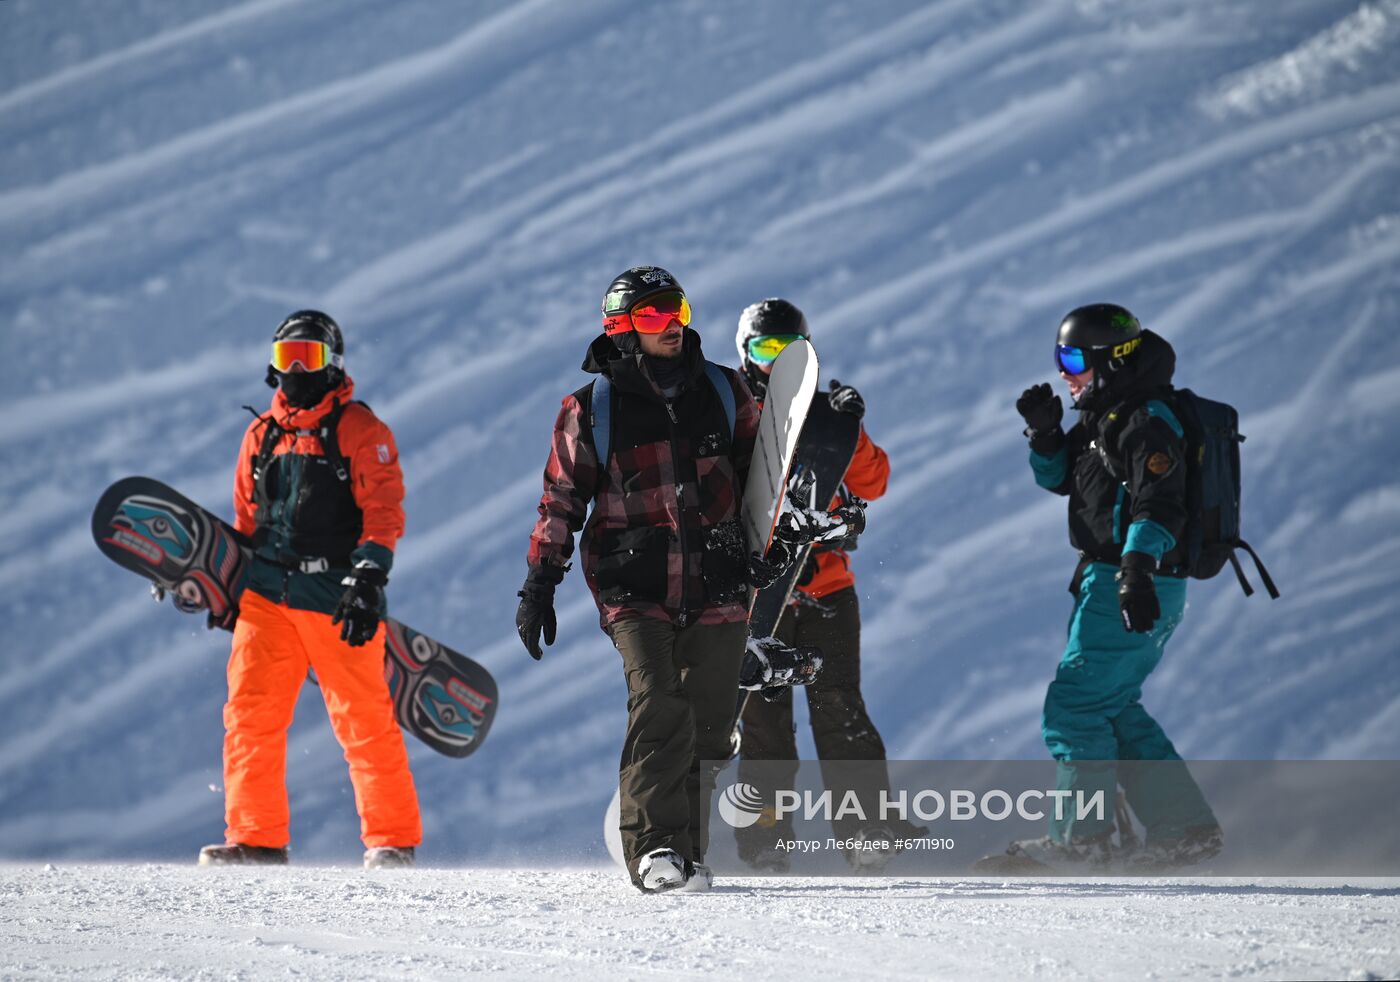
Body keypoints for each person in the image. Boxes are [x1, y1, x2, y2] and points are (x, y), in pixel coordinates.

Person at [517, 267, 820, 893]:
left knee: (710, 725)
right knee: (658, 702)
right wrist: (539, 584)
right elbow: (561, 501)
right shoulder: (591, 409)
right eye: (655, 316)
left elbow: (761, 480)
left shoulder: (725, 389)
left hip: (719, 580)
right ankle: (653, 851)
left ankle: (690, 853)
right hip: (634, 584)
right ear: (623, 328)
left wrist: (771, 543)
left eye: (676, 310)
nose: (673, 326)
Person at [198, 310, 421, 870]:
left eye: (309, 358)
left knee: (362, 717)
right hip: (266, 596)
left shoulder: (361, 431)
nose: (296, 370)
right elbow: (247, 522)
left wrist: (369, 577)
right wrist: (225, 587)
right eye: (286, 358)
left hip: (336, 595)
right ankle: (255, 838)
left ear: (334, 364)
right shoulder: (260, 435)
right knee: (249, 715)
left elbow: (384, 511)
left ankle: (391, 840)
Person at [1007, 302, 1222, 870]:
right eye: (1060, 356)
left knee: (1075, 708)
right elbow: (1064, 484)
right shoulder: (1108, 413)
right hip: (1122, 579)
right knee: (1113, 708)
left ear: (1111, 359)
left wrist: (1134, 572)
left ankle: (1083, 841)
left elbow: (1161, 502)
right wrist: (1046, 434)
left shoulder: (1146, 419)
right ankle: (1184, 828)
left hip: (1129, 578)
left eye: (1074, 357)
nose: (1064, 370)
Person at [730, 298, 915, 872]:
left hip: (827, 589)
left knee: (841, 711)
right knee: (763, 722)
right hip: (761, 595)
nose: (775, 362)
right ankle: (766, 838)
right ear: (745, 353)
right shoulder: (728, 410)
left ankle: (866, 830)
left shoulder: (825, 415)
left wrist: (849, 429)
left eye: (789, 350)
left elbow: (874, 482)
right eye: (765, 349)